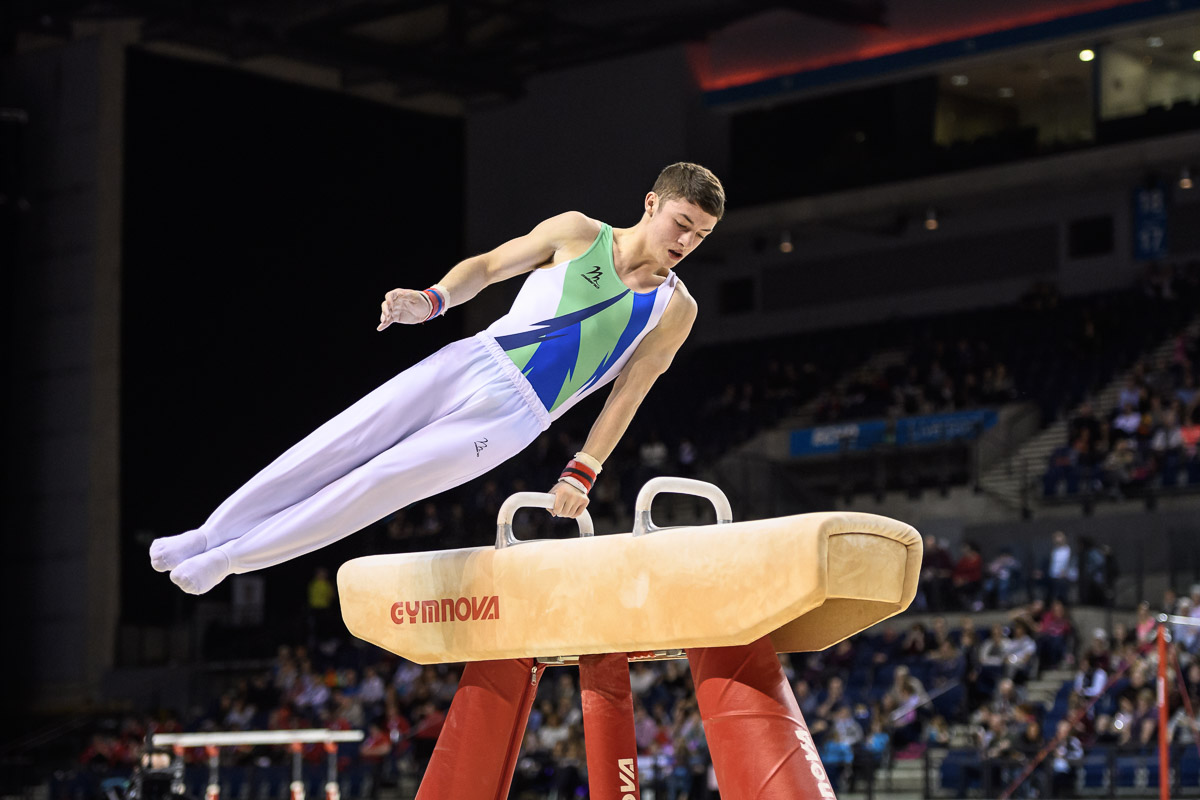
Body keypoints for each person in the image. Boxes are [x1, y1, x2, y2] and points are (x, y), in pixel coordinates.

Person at [148, 163, 724, 593]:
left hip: (513, 417)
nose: (686, 243)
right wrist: (433, 299)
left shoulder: (676, 310)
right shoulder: (577, 232)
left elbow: (630, 394)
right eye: (682, 224)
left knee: (379, 483)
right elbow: (490, 267)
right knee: (342, 440)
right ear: (652, 203)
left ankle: (231, 559)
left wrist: (582, 472)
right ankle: (208, 534)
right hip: (472, 358)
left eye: (700, 236)